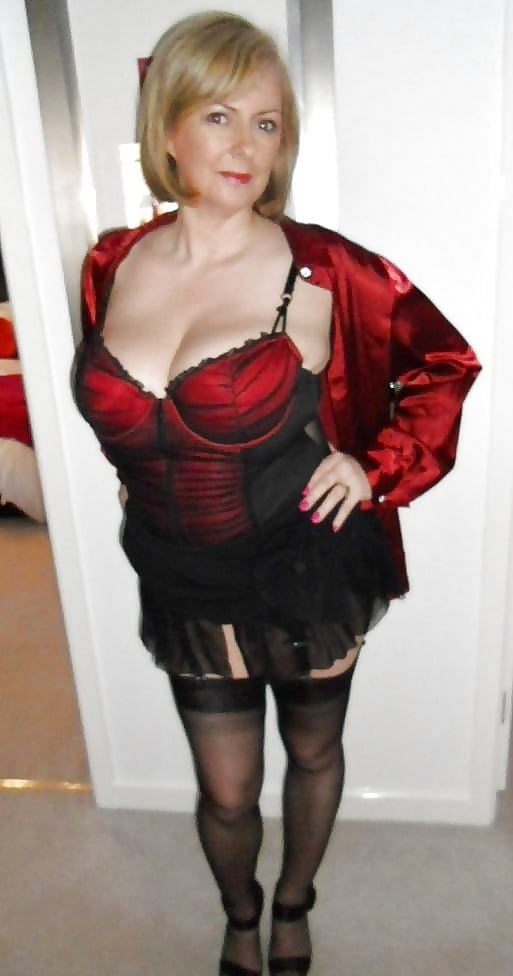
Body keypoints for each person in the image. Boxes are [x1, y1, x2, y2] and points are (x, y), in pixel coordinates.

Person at [73, 11, 480, 976]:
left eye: (266, 123)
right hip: (180, 570)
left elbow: (444, 363)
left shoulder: (325, 268)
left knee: (310, 753)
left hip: (304, 565)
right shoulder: (111, 263)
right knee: (224, 791)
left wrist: (376, 465)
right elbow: (128, 412)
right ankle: (239, 913)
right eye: (219, 117)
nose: (247, 146)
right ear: (167, 127)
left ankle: (292, 907)